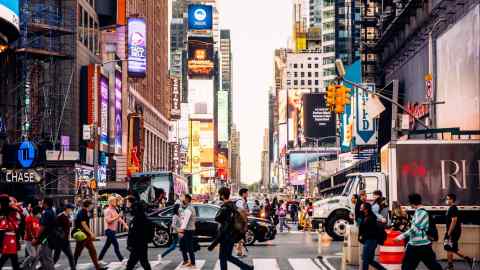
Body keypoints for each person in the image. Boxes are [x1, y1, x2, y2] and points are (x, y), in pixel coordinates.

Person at [394, 193, 442, 270]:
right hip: (415, 245)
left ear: (413, 203)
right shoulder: (418, 212)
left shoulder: (422, 213)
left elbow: (414, 229)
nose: (409, 205)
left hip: (422, 245)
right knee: (407, 267)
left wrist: (400, 237)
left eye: (410, 202)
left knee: (433, 266)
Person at [210, 187, 253, 270]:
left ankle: (246, 268)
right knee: (227, 256)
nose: (219, 196)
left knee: (223, 257)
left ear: (222, 196)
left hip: (226, 235)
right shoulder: (233, 205)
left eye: (219, 194)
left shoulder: (226, 207)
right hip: (232, 235)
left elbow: (217, 218)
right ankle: (246, 267)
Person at [444, 193, 473, 270]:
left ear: (452, 200)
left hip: (453, 232)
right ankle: (468, 259)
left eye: (448, 199)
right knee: (450, 248)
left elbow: (454, 221)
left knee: (449, 248)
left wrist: (449, 233)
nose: (446, 200)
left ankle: (450, 267)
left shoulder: (453, 208)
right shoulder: (450, 208)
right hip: (451, 232)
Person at [73, 199, 104, 270]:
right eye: (91, 204)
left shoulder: (83, 211)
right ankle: (73, 266)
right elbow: (83, 224)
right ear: (88, 205)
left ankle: (97, 267)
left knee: (92, 251)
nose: (92, 206)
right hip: (82, 235)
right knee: (78, 252)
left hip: (85, 235)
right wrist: (91, 233)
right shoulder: (82, 212)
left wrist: (90, 234)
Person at [98, 197, 128, 264]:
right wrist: (117, 217)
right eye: (115, 201)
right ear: (111, 202)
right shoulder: (107, 210)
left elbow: (119, 219)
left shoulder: (114, 210)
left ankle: (99, 259)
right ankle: (122, 259)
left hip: (112, 231)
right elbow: (108, 221)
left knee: (106, 246)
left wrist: (125, 225)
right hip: (109, 231)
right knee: (116, 244)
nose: (116, 203)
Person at [358, 203, 386, 270]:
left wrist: (363, 236)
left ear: (366, 209)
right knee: (369, 260)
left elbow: (371, 231)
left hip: (371, 240)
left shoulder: (371, 218)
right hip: (369, 240)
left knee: (365, 259)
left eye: (361, 208)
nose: (360, 209)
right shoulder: (365, 216)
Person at [126, 196, 151, 270]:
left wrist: (130, 243)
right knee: (144, 262)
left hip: (137, 244)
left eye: (127, 202)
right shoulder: (142, 217)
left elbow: (133, 233)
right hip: (141, 244)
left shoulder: (138, 219)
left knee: (131, 263)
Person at [35, 197, 57, 270]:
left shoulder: (46, 212)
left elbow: (42, 227)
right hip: (49, 238)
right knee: (41, 254)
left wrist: (36, 238)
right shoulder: (51, 211)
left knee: (47, 257)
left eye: (42, 202)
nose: (41, 203)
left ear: (45, 203)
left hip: (46, 239)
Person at [0, 194, 21, 270]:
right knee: (7, 256)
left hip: (11, 238)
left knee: (12, 257)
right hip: (7, 238)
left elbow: (18, 211)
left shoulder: (7, 210)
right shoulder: (5, 210)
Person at [53, 203, 75, 270]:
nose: (72, 210)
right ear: (67, 209)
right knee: (69, 256)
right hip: (60, 240)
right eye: (71, 209)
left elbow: (67, 227)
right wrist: (60, 235)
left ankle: (45, 267)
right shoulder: (60, 216)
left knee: (57, 257)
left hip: (65, 240)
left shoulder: (67, 216)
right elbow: (55, 227)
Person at [178, 194, 196, 267]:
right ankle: (189, 261)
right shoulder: (190, 208)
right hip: (190, 229)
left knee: (189, 247)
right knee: (187, 246)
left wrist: (181, 230)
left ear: (187, 200)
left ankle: (192, 262)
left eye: (184, 199)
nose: (183, 200)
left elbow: (185, 221)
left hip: (188, 230)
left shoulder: (189, 209)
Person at [235, 188, 249, 257]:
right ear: (243, 193)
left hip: (242, 221)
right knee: (240, 237)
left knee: (240, 238)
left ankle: (240, 252)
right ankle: (239, 251)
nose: (247, 194)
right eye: (247, 193)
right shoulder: (240, 201)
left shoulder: (242, 200)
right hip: (240, 222)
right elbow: (241, 211)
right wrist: (246, 214)